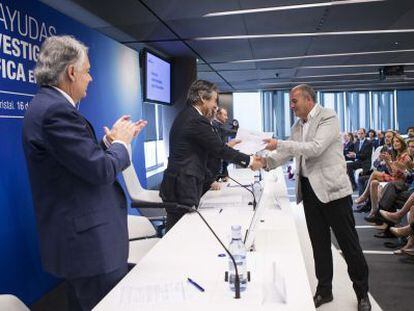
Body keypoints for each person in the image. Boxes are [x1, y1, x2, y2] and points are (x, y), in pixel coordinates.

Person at [22, 36, 147, 311]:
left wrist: (107, 143)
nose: (90, 78)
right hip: (90, 247)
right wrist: (122, 144)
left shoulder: (47, 106)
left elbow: (75, 162)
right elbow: (101, 170)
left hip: (83, 244)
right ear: (71, 72)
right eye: (87, 71)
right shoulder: (57, 111)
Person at [252, 84, 370, 310]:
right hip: (309, 190)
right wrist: (264, 162)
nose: (292, 105)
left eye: (294, 101)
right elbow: (286, 152)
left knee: (349, 244)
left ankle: (362, 292)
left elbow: (314, 148)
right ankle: (324, 291)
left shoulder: (329, 117)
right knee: (319, 244)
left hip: (333, 191)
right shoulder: (298, 125)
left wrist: (279, 143)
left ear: (308, 100)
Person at [159, 80, 261, 232]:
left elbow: (201, 154)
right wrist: (250, 161)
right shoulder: (195, 119)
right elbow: (219, 149)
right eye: (214, 100)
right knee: (179, 233)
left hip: (180, 184)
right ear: (202, 97)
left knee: (181, 232)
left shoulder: (188, 115)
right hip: (182, 187)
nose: (216, 106)